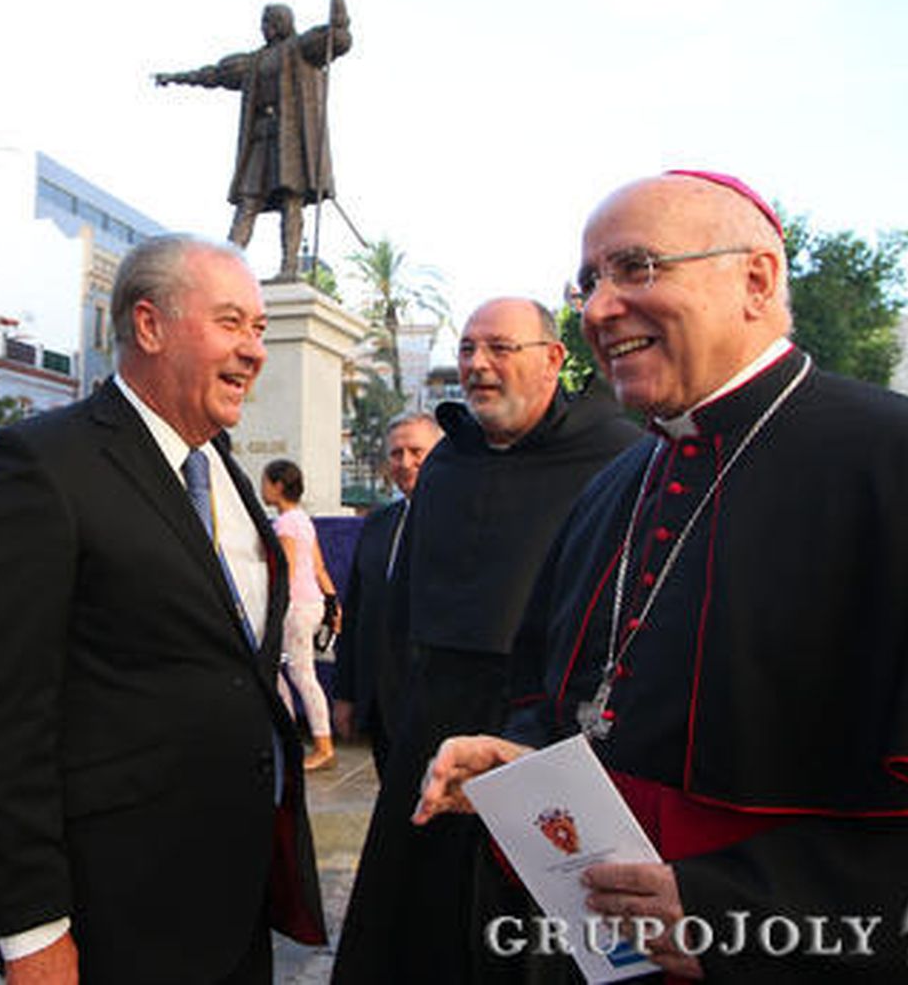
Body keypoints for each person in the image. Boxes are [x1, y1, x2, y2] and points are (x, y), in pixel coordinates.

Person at [415, 171, 908, 981]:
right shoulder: (613, 488)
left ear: (756, 280)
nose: (598, 308)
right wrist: (526, 766)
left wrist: (739, 914)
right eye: (589, 283)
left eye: (636, 267)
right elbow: (572, 703)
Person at [0, 233, 326, 982]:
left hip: (235, 901)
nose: (255, 350)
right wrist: (31, 931)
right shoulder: (42, 464)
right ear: (149, 325)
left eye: (258, 328)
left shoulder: (223, 469)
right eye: (231, 322)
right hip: (117, 910)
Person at [334, 297, 640, 982]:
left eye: (500, 347)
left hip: (549, 728)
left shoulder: (617, 455)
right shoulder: (446, 462)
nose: (478, 364)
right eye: (468, 348)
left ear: (553, 359)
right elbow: (403, 607)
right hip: (433, 721)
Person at [155, 0, 350, 280]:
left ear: (281, 23)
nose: (264, 28)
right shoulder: (252, 62)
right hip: (260, 140)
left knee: (291, 201)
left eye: (268, 22)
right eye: (262, 22)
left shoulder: (302, 48)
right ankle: (225, 268)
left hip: (290, 141)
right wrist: (175, 77)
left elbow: (339, 37)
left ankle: (289, 267)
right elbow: (213, 75)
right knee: (248, 203)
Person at [331, 411, 441, 775]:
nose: (405, 462)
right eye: (396, 453)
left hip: (433, 704)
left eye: (416, 452)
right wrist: (346, 693)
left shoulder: (462, 521)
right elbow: (356, 612)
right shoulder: (378, 523)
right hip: (380, 702)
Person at [260, 458, 340, 771]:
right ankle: (290, 738)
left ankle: (323, 745)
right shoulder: (303, 520)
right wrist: (332, 603)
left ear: (278, 486)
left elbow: (287, 570)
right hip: (312, 603)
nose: (262, 488)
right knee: (284, 671)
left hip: (295, 606)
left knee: (300, 674)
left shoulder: (285, 524)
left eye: (266, 482)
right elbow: (318, 567)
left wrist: (272, 606)